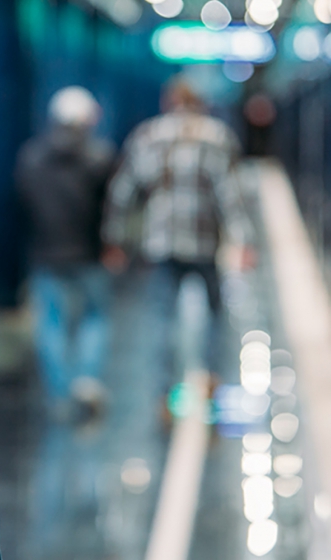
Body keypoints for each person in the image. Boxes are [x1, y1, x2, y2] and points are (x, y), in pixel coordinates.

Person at [102, 78, 253, 417]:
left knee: (162, 318)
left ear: (168, 101)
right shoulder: (217, 137)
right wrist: (243, 241)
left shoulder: (148, 135)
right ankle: (211, 378)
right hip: (206, 242)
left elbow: (124, 191)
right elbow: (230, 194)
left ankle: (165, 390)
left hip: (162, 243)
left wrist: (115, 239)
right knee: (215, 315)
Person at [15, 86, 116, 422]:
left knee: (52, 323)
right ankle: (86, 379)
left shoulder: (31, 157)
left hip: (45, 253)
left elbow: (21, 207)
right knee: (94, 317)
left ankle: (60, 393)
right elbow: (111, 208)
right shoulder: (101, 157)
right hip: (89, 252)